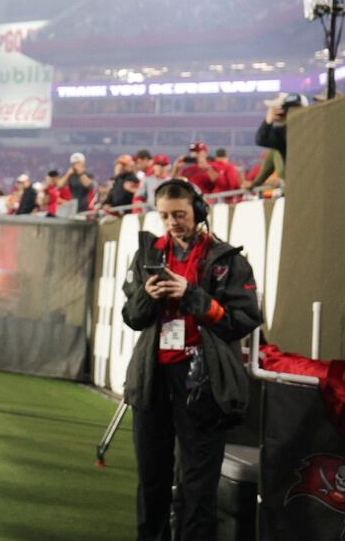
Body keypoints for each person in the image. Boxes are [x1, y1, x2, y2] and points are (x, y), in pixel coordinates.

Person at [121, 179, 261, 541]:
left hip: (203, 381)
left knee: (197, 486)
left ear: (198, 211)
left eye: (179, 214)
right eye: (165, 215)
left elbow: (241, 322)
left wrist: (191, 295)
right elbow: (132, 317)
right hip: (153, 378)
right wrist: (148, 297)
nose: (171, 222)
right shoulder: (147, 256)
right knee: (152, 480)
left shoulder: (228, 260)